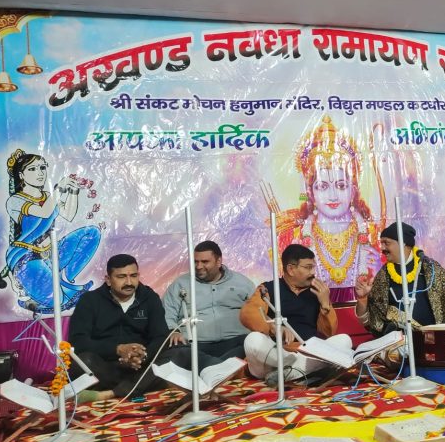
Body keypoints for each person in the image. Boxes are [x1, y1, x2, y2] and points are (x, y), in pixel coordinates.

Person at [69, 254, 233, 402]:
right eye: (121, 277)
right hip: (107, 366)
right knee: (83, 361)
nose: (129, 282)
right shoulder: (90, 301)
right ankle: (138, 387)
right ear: (108, 279)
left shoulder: (149, 297)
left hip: (142, 367)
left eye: (133, 276)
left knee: (180, 352)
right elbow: (78, 341)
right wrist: (118, 350)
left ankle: (112, 393)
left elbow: (160, 336)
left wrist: (142, 356)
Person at [270, 116, 384, 287]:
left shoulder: (372, 235)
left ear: (353, 190)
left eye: (341, 185)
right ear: (311, 193)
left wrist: (378, 269)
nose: (333, 196)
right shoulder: (294, 237)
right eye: (322, 186)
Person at [0, 149, 100, 312]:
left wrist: (72, 191)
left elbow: (68, 215)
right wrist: (58, 189)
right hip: (25, 257)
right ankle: (31, 296)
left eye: (42, 167)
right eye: (32, 169)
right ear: (21, 175)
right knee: (57, 300)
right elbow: (44, 212)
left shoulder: (47, 196)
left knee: (92, 233)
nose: (39, 173)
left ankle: (65, 278)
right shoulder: (15, 200)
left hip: (49, 253)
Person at [240, 244, 351, 381]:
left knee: (344, 340)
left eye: (313, 267)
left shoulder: (317, 292)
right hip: (275, 356)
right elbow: (248, 314)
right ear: (291, 269)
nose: (313, 272)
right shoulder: (267, 289)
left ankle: (290, 373)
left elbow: (329, 333)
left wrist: (325, 304)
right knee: (253, 340)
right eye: (308, 267)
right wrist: (274, 327)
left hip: (308, 353)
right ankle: (298, 369)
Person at [354, 222, 445, 336]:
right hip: (400, 348)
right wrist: (363, 299)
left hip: (436, 343)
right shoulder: (382, 276)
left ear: (404, 244)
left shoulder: (430, 268)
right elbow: (372, 323)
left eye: (386, 243)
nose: (382, 248)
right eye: (381, 243)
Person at [163, 241, 255, 359]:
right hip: (194, 346)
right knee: (175, 351)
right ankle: (223, 366)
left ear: (218, 261)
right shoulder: (180, 284)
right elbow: (166, 313)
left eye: (205, 262)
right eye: (195, 262)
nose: (198, 266)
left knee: (256, 343)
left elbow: (258, 311)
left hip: (237, 342)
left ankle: (215, 366)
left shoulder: (242, 283)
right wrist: (173, 332)